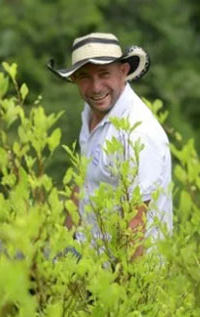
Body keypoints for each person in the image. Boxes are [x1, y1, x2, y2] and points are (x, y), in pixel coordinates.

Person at [48, 32, 173, 259]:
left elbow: (136, 224)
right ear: (74, 79)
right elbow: (82, 185)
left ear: (123, 72)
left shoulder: (138, 132)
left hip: (128, 272)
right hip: (88, 258)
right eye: (85, 77)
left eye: (104, 74)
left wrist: (119, 291)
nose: (96, 87)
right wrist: (60, 250)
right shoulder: (90, 113)